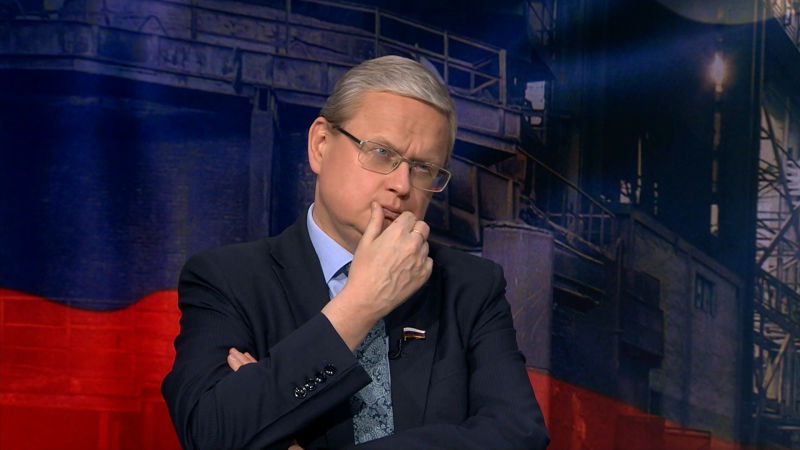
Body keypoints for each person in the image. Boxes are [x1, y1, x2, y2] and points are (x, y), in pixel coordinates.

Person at [162, 55, 549, 450]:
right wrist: (360, 305)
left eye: (422, 168)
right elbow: (210, 432)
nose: (402, 185)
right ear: (320, 145)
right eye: (382, 152)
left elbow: (519, 435)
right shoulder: (227, 279)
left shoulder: (472, 287)